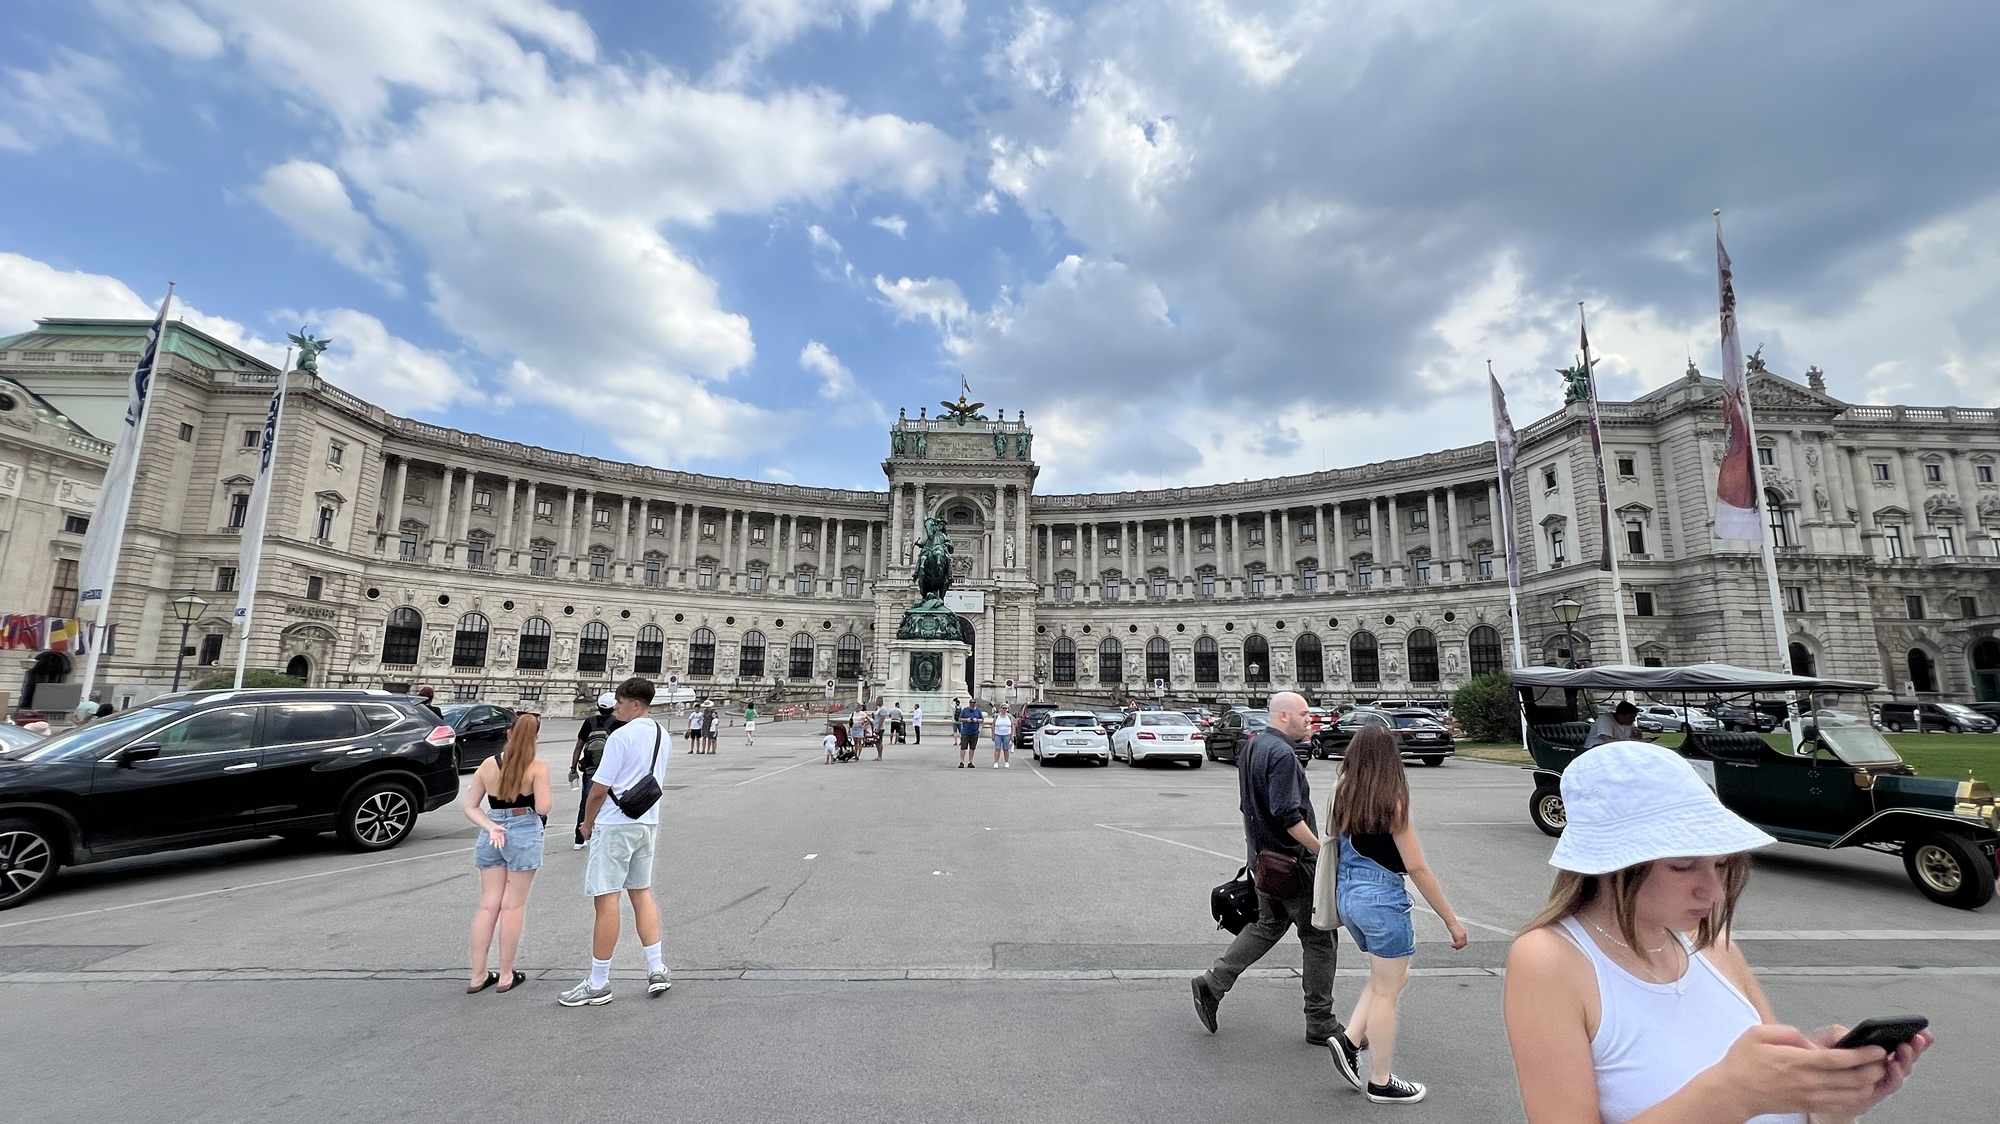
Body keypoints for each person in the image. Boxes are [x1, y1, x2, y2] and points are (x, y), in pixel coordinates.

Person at [1505, 740, 1932, 1124]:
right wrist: (1734, 1092)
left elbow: (1776, 1103)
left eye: (1722, 865)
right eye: (1682, 866)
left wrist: (1824, 1098)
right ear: (1610, 864)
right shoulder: (1551, 959)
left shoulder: (1714, 946)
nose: (1714, 891)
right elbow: (1742, 1092)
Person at [1325, 727, 1469, 1105]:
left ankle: (1349, 1039)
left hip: (1348, 896)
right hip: (1381, 899)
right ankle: (1381, 1081)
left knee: (1391, 977)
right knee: (1387, 991)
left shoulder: (1342, 792)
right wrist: (1451, 920)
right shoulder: (1393, 802)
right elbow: (1417, 868)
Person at [1191, 691, 1340, 1048]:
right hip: (1294, 865)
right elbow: (1288, 814)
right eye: (1304, 714)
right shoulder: (1284, 755)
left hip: (1265, 862)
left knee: (1268, 925)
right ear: (1284, 716)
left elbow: (1248, 807)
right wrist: (1322, 852)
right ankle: (1320, 1020)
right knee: (1320, 939)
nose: (1310, 719)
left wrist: (1255, 856)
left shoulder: (1252, 746)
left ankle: (1213, 982)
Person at [560, 677, 672, 1007]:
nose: (615, 709)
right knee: (641, 892)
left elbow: (598, 789)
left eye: (620, 703)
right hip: (646, 821)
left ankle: (598, 983)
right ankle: (656, 968)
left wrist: (586, 824)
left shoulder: (621, 737)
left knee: (607, 899)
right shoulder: (661, 734)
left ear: (635, 704)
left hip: (615, 824)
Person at [463, 713, 553, 994]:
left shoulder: (488, 764)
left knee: (488, 905)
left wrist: (491, 826)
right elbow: (543, 808)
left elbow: (470, 806)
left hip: (493, 831)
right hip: (524, 829)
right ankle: (505, 975)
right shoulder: (537, 766)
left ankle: (478, 975)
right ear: (535, 738)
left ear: (508, 734)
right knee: (512, 906)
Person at [569, 693, 622, 850]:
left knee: (586, 802)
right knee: (612, 802)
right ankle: (605, 836)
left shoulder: (589, 722)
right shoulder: (619, 723)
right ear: (614, 707)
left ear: (598, 706)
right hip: (611, 769)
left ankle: (579, 839)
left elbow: (578, 746)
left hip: (591, 768)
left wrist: (573, 769)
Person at [956, 697, 984, 768]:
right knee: (963, 747)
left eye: (973, 704)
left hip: (974, 732)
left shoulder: (978, 711)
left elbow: (982, 720)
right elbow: (960, 719)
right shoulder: (965, 710)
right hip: (965, 731)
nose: (972, 705)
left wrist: (976, 720)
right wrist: (966, 720)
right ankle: (962, 761)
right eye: (971, 704)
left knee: (972, 747)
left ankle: (970, 761)